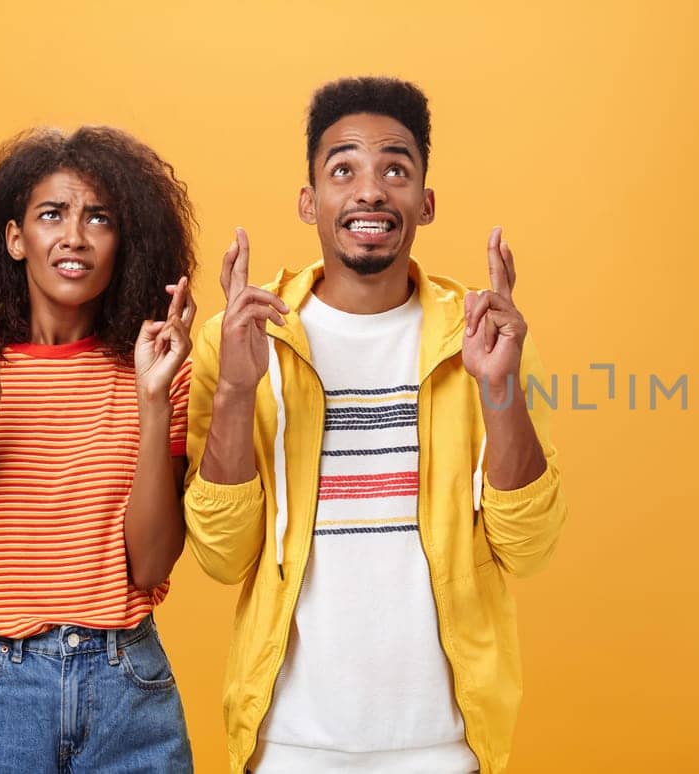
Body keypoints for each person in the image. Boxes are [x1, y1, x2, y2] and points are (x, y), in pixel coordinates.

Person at [183, 77, 568, 774]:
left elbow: (530, 548)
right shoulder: (240, 339)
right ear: (310, 203)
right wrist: (238, 392)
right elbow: (222, 556)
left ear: (424, 201)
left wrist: (500, 388)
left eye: (396, 168)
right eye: (343, 170)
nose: (370, 190)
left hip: (446, 747)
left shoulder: (480, 337)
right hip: (290, 747)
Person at [0, 126, 198, 772]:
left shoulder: (160, 369)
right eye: (52, 214)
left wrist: (153, 403)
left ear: (123, 243)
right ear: (16, 238)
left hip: (129, 687)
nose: (75, 236)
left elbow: (151, 566)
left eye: (99, 218)